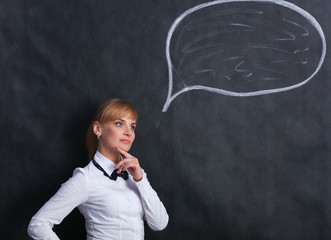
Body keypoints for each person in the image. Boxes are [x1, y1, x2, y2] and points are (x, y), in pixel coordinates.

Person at [28, 98, 169, 240]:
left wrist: (140, 179)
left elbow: (159, 224)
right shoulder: (86, 179)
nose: (128, 132)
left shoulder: (137, 174)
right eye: (119, 124)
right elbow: (38, 224)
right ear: (97, 129)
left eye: (132, 126)